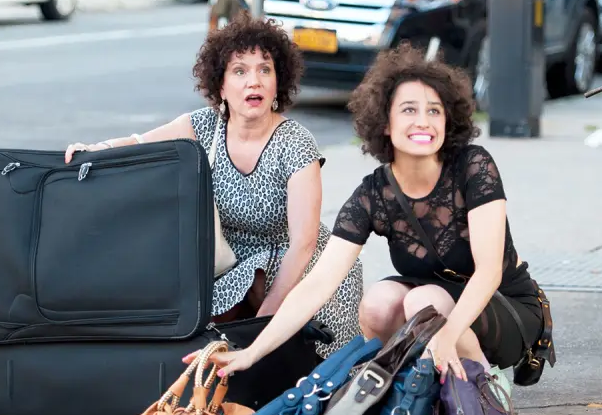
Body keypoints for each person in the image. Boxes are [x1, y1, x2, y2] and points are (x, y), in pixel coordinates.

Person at [187, 42, 546, 386]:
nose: (424, 121)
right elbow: (317, 284)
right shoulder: (375, 193)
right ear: (385, 124)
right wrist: (252, 352)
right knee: (378, 303)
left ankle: (489, 389)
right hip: (436, 302)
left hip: (504, 304)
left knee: (424, 302)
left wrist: (449, 334)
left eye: (434, 110)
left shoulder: (473, 165)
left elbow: (489, 271)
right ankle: (416, 393)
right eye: (409, 110)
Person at [64, 12, 364, 359]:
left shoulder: (296, 143)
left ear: (277, 82)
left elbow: (303, 244)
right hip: (229, 265)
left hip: (300, 272)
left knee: (257, 294)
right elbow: (139, 144)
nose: (255, 81)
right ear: (220, 85)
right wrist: (95, 151)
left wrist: (262, 330)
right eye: (240, 71)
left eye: (265, 69)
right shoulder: (204, 125)